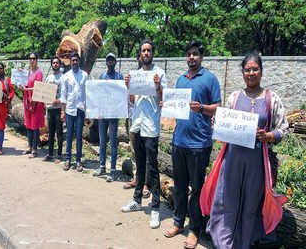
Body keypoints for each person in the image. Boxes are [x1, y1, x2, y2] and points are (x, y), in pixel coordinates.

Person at [201, 53, 289, 249]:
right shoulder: (234, 97)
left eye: (255, 69)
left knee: (251, 205)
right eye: (247, 69)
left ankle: (243, 243)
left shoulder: (271, 98)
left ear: (261, 71)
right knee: (227, 202)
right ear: (243, 73)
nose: (251, 73)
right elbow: (224, 124)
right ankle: (224, 243)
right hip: (232, 160)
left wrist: (269, 136)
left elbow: (284, 128)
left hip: (256, 162)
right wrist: (218, 122)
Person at [163, 41, 221, 249]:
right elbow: (175, 108)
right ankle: (178, 222)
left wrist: (202, 108)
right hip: (179, 142)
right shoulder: (180, 80)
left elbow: (217, 108)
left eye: (195, 54)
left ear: (201, 57)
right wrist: (167, 105)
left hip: (199, 144)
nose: (191, 58)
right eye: (188, 54)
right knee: (179, 187)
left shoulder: (210, 79)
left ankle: (195, 229)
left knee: (196, 190)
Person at [121, 39, 167, 229]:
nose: (146, 53)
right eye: (143, 51)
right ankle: (137, 199)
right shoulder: (135, 74)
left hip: (151, 125)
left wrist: (157, 87)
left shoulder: (160, 73)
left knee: (152, 167)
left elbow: (164, 99)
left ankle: (155, 208)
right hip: (137, 124)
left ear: (152, 53)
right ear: (140, 54)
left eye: (148, 50)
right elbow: (132, 100)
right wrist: (128, 87)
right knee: (139, 164)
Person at [92, 53, 124, 182]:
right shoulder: (102, 77)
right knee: (102, 140)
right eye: (108, 60)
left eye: (112, 60)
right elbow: (98, 94)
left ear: (115, 62)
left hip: (114, 113)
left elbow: (122, 93)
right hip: (103, 113)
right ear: (106, 63)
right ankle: (102, 166)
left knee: (113, 141)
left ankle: (113, 170)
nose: (110, 62)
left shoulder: (119, 77)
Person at [123, 50, 150, 197]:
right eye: (140, 54)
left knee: (145, 151)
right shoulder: (132, 76)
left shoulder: (152, 75)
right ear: (137, 58)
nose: (142, 57)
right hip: (132, 118)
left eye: (145, 53)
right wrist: (128, 86)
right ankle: (136, 178)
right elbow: (130, 99)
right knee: (134, 151)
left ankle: (145, 183)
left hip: (146, 119)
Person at [60, 52, 89, 172]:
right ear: (70, 62)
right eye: (73, 60)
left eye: (76, 60)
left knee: (78, 136)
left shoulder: (85, 75)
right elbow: (63, 95)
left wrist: (88, 112)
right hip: (70, 110)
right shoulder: (66, 76)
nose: (75, 62)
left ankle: (78, 160)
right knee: (69, 135)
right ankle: (68, 159)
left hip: (80, 109)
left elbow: (88, 94)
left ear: (79, 61)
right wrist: (62, 111)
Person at [20, 53, 45, 158]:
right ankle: (29, 147)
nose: (32, 60)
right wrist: (21, 85)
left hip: (36, 101)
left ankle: (35, 149)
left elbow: (38, 88)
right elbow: (24, 84)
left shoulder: (39, 73)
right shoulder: (27, 72)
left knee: (35, 126)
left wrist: (27, 89)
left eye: (34, 58)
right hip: (27, 100)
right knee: (29, 124)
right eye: (30, 59)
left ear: (37, 60)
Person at [44, 56, 64, 163]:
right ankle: (50, 154)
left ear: (60, 65)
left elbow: (65, 95)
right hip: (50, 109)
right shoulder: (49, 78)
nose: (55, 64)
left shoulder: (63, 78)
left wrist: (58, 100)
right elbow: (44, 92)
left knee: (59, 133)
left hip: (58, 109)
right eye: (53, 63)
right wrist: (44, 102)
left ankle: (59, 155)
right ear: (51, 65)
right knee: (50, 132)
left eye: (57, 63)